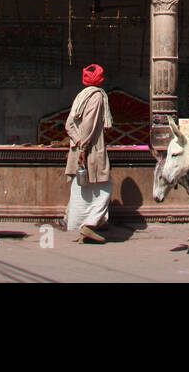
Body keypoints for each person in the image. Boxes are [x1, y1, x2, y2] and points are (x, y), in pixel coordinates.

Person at [65, 64, 113, 243]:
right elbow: (89, 124)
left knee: (81, 188)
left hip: (79, 147)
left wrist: (77, 143)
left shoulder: (81, 96)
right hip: (91, 149)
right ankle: (88, 225)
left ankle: (86, 226)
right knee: (105, 187)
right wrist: (83, 147)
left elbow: (69, 124)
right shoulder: (96, 97)